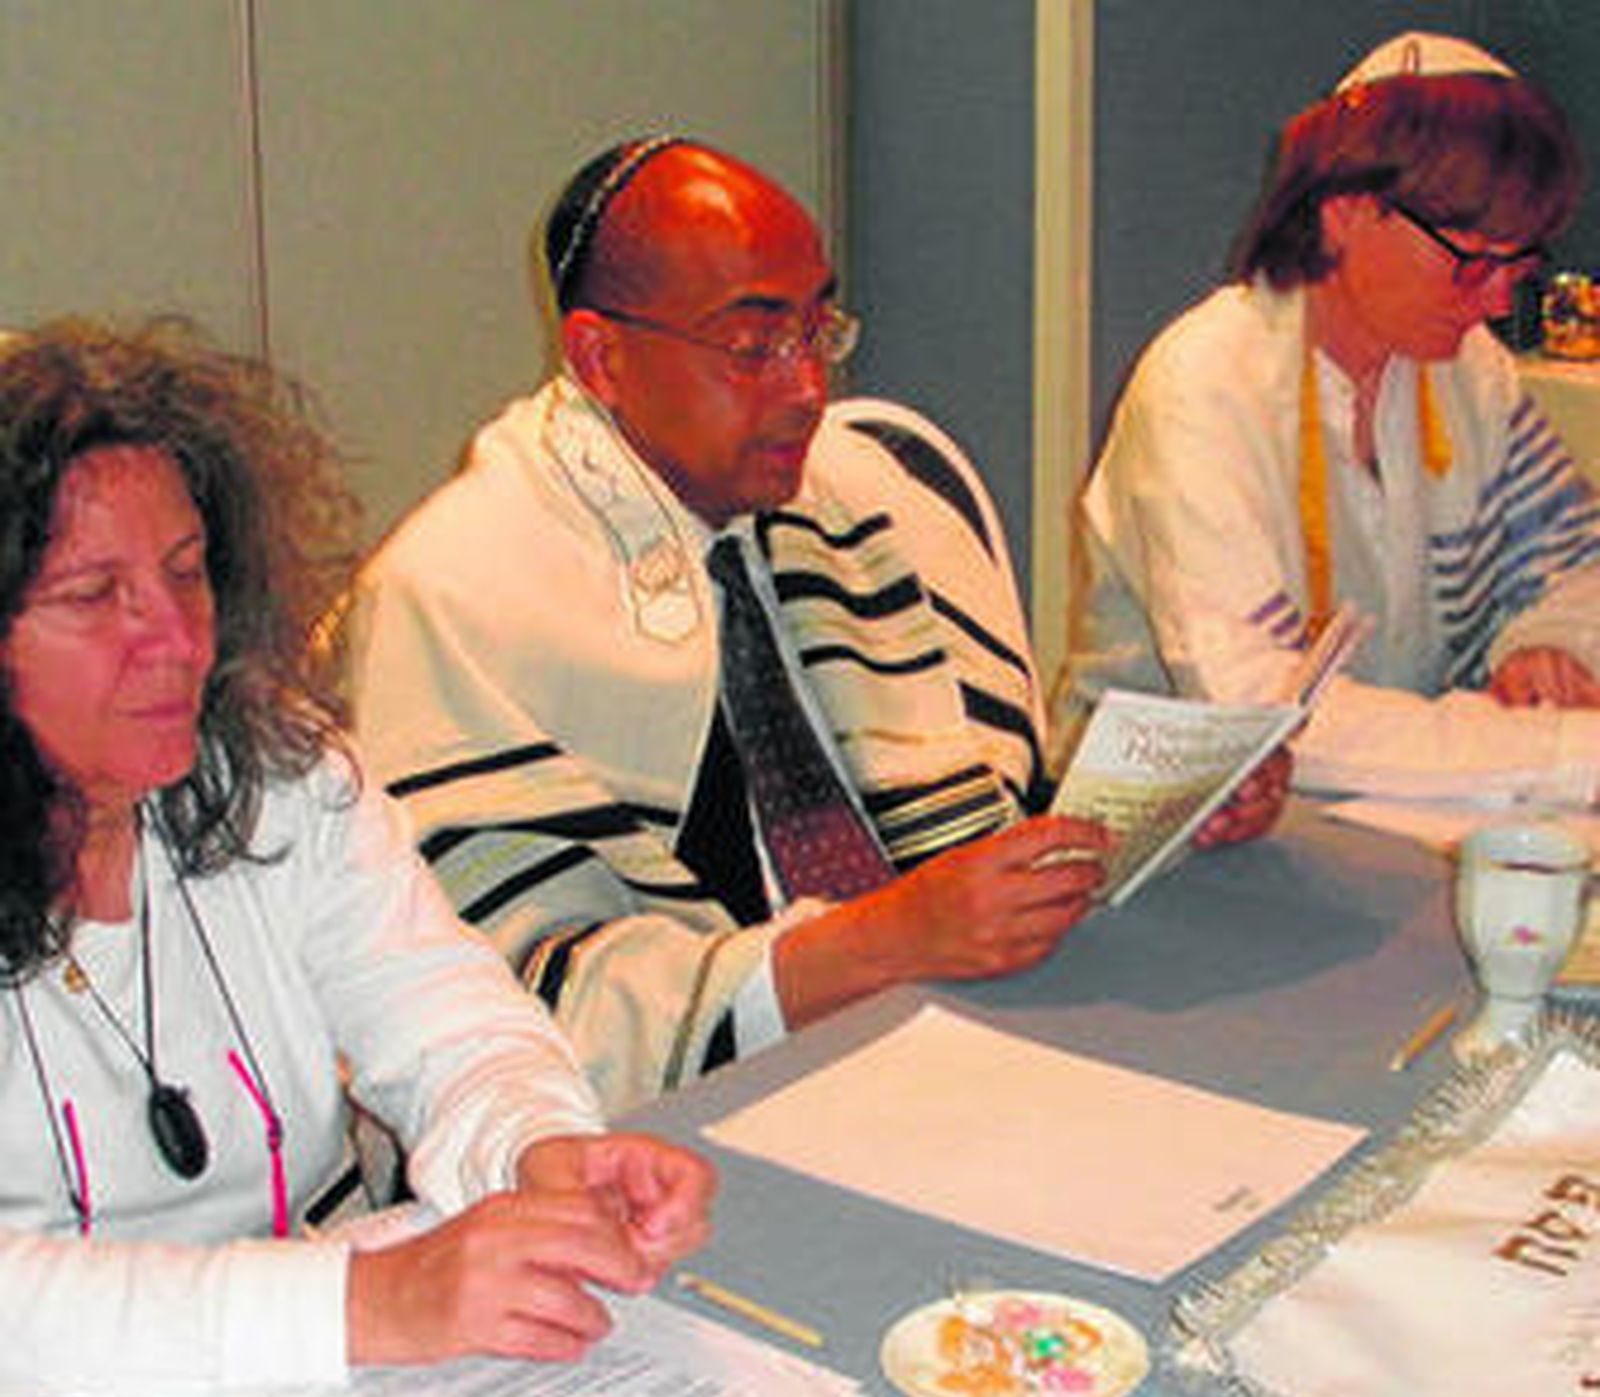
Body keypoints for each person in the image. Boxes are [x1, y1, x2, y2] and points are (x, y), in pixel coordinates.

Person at [343, 138, 1284, 1117]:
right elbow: (488, 1011)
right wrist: (879, 942)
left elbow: (980, 808)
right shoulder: (454, 595)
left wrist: (1152, 815)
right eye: (752, 347)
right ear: (599, 357)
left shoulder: (858, 498)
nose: (805, 390)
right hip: (699, 1121)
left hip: (947, 1036)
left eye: (815, 331)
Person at [0, 318, 714, 1397]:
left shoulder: (275, 769)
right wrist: (367, 1302)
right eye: (94, 597)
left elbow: (439, 1006)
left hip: (298, 1391)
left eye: (188, 574)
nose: (177, 642)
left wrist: (539, 1145)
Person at [1060, 31, 1600, 805]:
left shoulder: (1469, 369)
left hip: (1380, 815)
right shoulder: (1204, 388)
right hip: (1172, 827)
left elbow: (1576, 564)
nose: (1498, 301)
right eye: (1472, 262)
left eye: (1521, 263)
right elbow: (1259, 717)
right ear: (1346, 211)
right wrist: (1566, 751)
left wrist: (1549, 642)